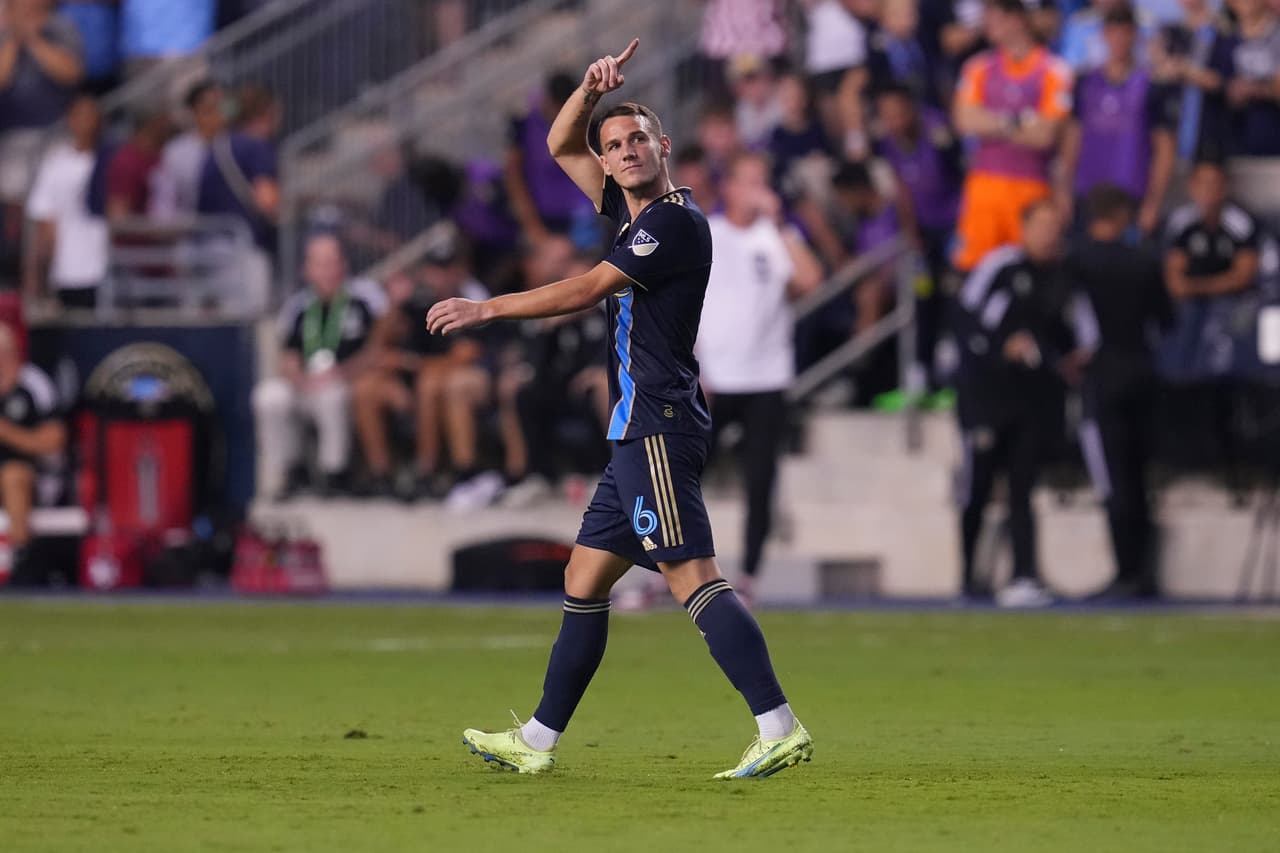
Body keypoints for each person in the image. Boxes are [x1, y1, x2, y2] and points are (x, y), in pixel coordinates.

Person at [431, 39, 812, 780]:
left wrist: (488, 307)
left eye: (638, 138)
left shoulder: (670, 223)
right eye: (613, 144)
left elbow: (583, 290)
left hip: (658, 425)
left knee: (690, 574)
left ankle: (778, 725)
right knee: (583, 576)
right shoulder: (633, 212)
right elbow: (558, 143)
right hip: (636, 428)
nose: (626, 150)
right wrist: (589, 88)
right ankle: (537, 739)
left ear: (663, 148)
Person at [696, 151, 822, 606]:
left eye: (761, 182)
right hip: (713, 378)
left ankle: (748, 575)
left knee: (761, 480)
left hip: (767, 378)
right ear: (728, 187)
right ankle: (671, 570)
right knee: (685, 478)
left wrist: (781, 225)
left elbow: (810, 280)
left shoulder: (775, 237)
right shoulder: (707, 233)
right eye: (747, 182)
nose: (756, 191)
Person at [953, 200, 1073, 607]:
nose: (1049, 234)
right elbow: (965, 316)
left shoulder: (1061, 274)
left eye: (1055, 226)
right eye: (1041, 225)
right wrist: (1000, 348)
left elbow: (1067, 332)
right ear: (1024, 228)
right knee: (978, 487)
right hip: (985, 395)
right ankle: (968, 575)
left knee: (1023, 487)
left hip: (1029, 399)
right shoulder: (1000, 266)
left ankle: (1024, 575)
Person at [1064, 185, 1172, 599]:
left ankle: (1126, 570)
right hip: (1143, 372)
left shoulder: (1077, 261)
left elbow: (1065, 318)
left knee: (1112, 478)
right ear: (1122, 215)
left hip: (1101, 375)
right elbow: (1166, 319)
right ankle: (1141, 571)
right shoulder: (1144, 260)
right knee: (1139, 475)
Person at [252, 233, 384, 500]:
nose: (326, 271)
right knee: (269, 396)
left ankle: (335, 474)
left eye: (331, 262)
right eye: (319, 264)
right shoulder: (297, 306)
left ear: (344, 264)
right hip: (306, 383)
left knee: (332, 395)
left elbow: (377, 347)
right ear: (307, 269)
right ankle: (290, 471)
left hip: (345, 379)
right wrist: (300, 378)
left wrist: (342, 373)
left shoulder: (364, 298)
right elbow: (287, 357)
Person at [951, 0, 1074, 273]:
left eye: (997, 14)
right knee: (974, 271)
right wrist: (1018, 121)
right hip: (985, 187)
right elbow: (964, 120)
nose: (988, 23)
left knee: (1031, 271)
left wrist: (991, 122)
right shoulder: (978, 67)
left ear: (1018, 18)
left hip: (1032, 188)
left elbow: (1044, 135)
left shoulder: (1053, 70)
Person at [1059, 4, 1176, 237]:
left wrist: (1153, 202)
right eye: (1114, 33)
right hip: (1088, 192)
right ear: (1104, 35)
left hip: (1131, 194)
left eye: (1125, 33)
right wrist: (1063, 190)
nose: (1119, 40)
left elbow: (1165, 147)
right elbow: (1072, 137)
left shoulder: (1152, 86)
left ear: (1135, 36)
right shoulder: (1085, 83)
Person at [24, 93, 107, 310]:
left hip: (108, 267)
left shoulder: (112, 159)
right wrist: (37, 275)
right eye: (80, 115)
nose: (86, 122)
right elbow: (45, 221)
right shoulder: (55, 165)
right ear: (70, 119)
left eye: (91, 115)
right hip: (68, 270)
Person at [0, 322, 65, 574]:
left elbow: (53, 441)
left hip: (39, 476)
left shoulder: (33, 383)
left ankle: (18, 561)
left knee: (13, 475)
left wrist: (7, 432)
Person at [149, 79, 226, 220]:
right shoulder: (175, 151)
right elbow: (164, 203)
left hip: (234, 229)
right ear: (194, 112)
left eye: (222, 108)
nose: (218, 115)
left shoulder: (239, 146)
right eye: (209, 110)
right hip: (189, 229)